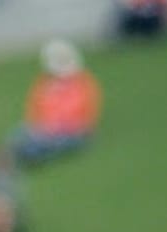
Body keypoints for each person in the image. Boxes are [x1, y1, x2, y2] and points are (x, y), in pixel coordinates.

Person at [9, 39, 103, 167]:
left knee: (50, 143)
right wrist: (39, 125)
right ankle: (19, 153)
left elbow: (81, 112)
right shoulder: (44, 83)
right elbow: (34, 106)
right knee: (18, 135)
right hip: (46, 126)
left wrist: (56, 126)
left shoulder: (83, 83)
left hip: (73, 130)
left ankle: (32, 155)